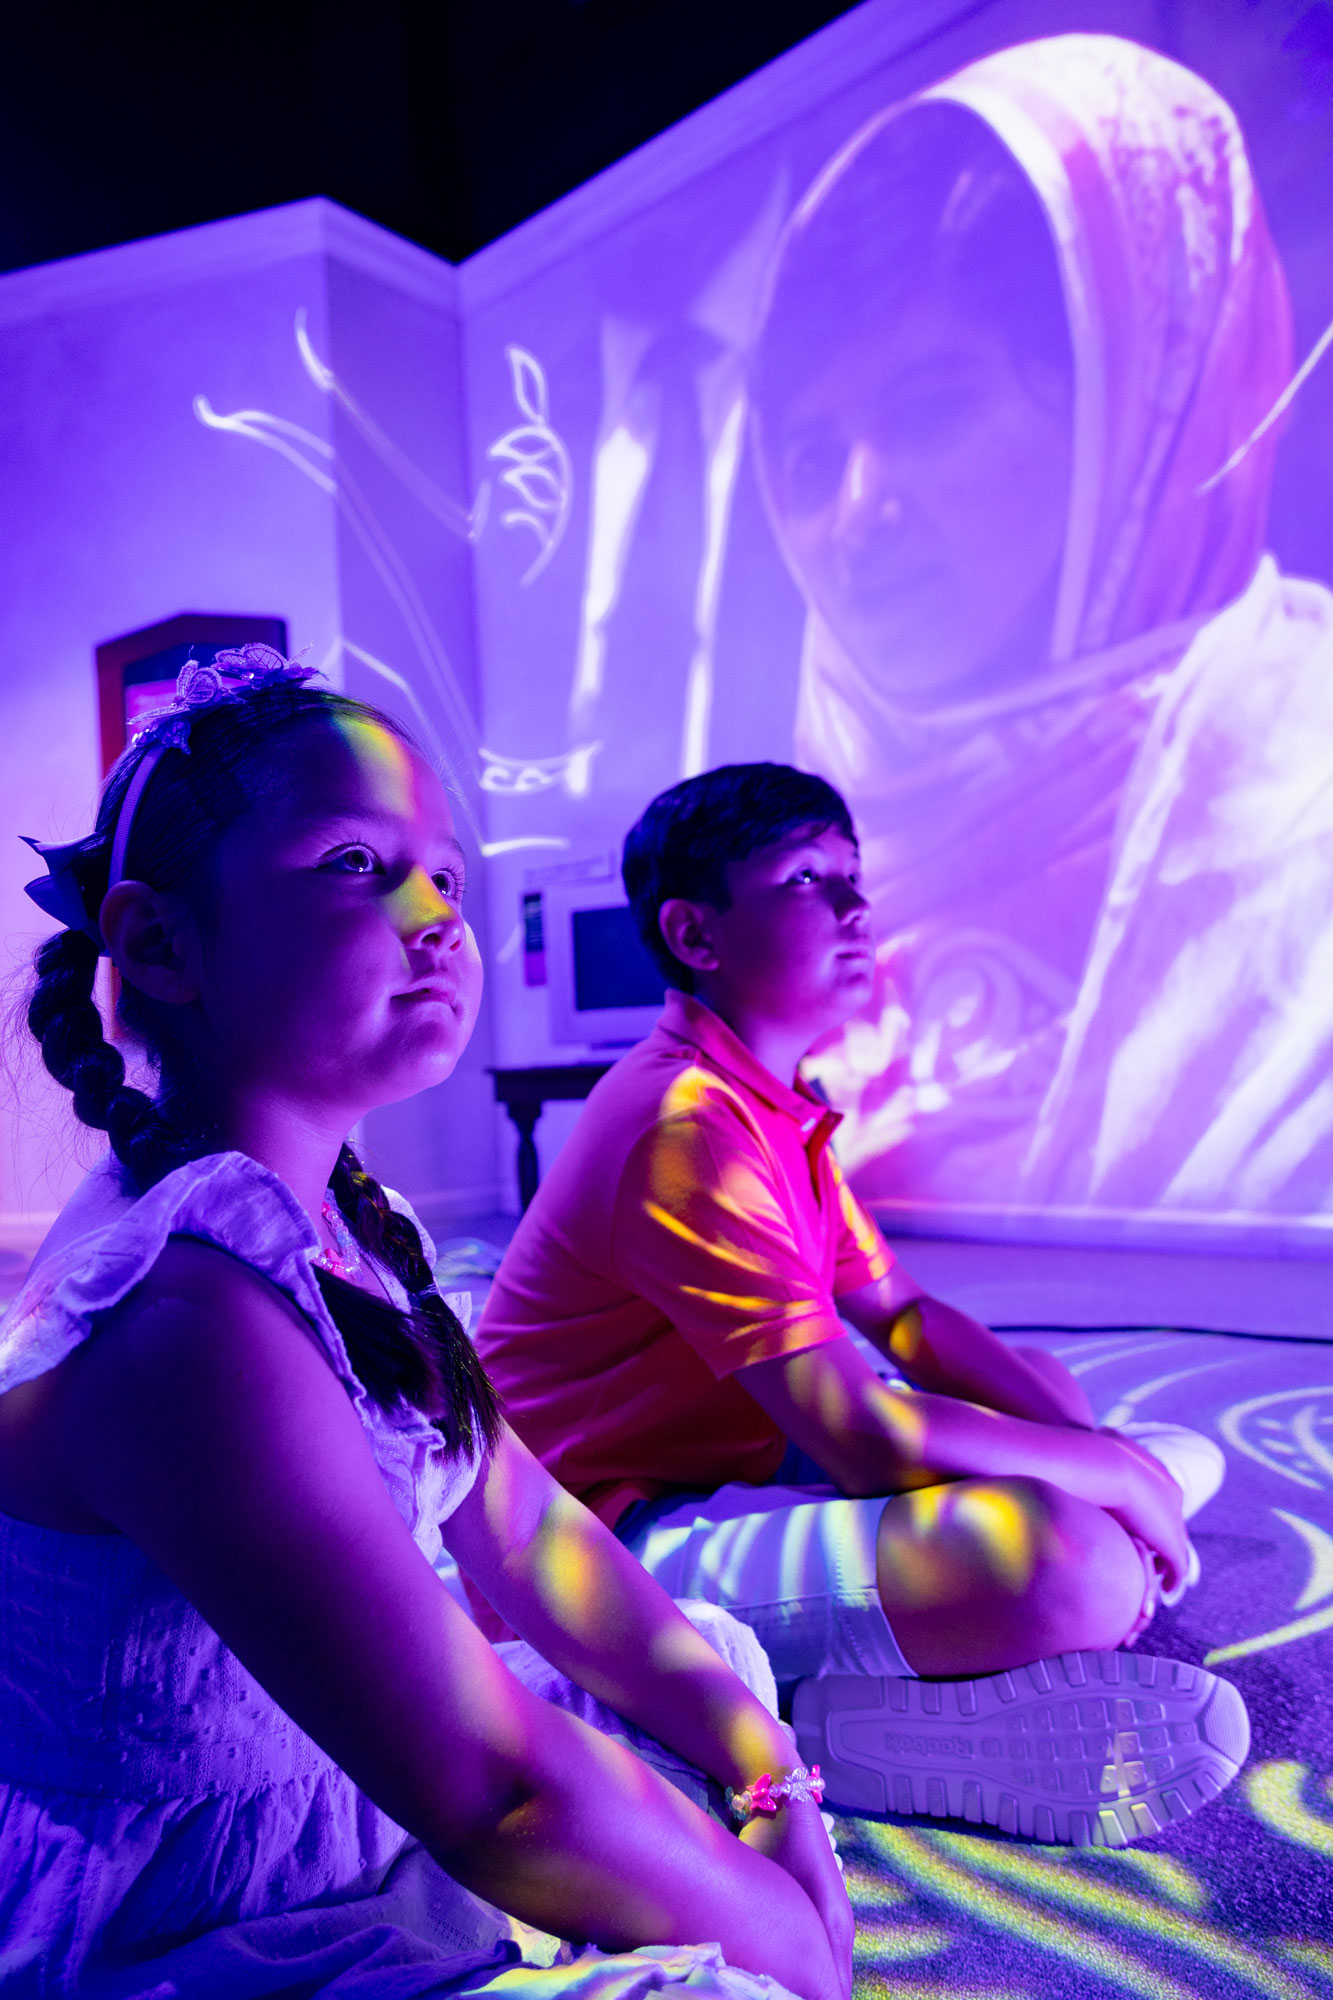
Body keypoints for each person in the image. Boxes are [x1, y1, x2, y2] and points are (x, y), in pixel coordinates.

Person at [0, 649, 850, 2000]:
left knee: (718, 1662)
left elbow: (541, 1549)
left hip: (343, 1795)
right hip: (188, 1921)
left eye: (443, 874)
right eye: (353, 864)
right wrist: (787, 1925)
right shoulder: (183, 1316)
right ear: (158, 944)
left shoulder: (350, 1224)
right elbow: (499, 1794)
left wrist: (768, 1777)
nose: (436, 916)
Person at [477, 762, 1246, 1841]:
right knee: (1073, 1562)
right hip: (589, 1541)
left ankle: (864, 1699)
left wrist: (1081, 1439)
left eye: (852, 877)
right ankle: (788, 1729)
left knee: (1055, 1397)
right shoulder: (685, 1124)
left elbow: (905, 1318)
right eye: (805, 880)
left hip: (726, 1455)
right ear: (696, 935)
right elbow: (868, 1441)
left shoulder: (772, 1102)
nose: (854, 909)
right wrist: (1114, 1470)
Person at [751, 34, 1333, 1219]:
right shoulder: (810, 856)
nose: (858, 511)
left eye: (929, 408)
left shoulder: (1302, 809)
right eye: (812, 461)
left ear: (1137, 405)